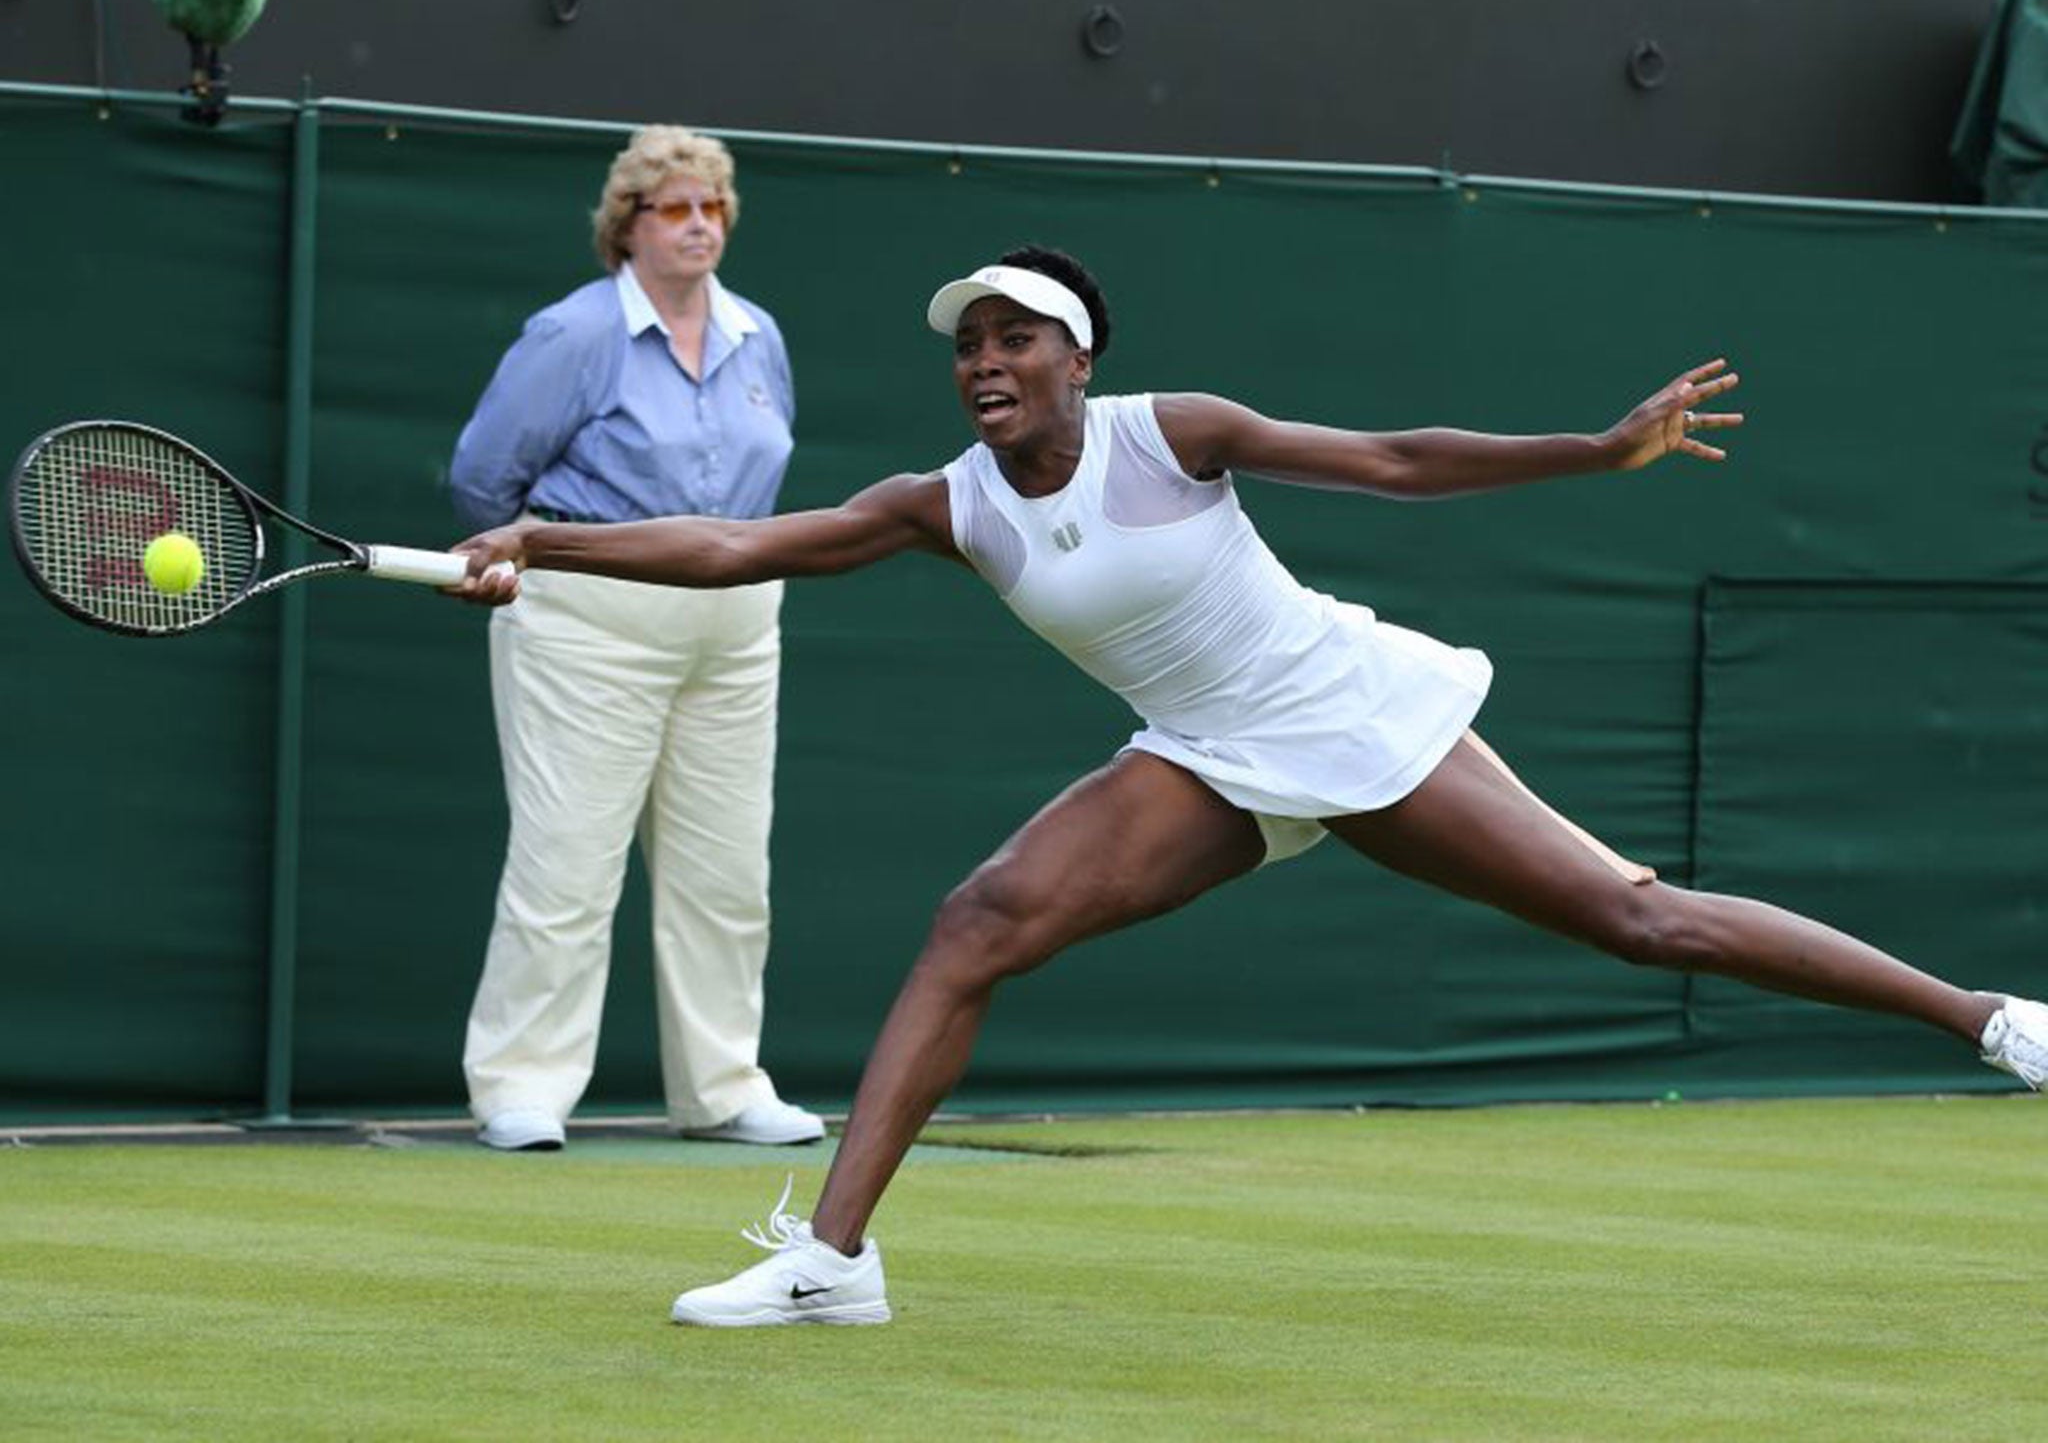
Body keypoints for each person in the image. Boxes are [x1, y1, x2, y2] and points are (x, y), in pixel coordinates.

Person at [447, 245, 2048, 1318]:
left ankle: (1993, 1021)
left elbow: (1400, 460)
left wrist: (1593, 447)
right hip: (1199, 755)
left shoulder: (1175, 432)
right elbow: (734, 548)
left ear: (1082, 359)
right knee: (981, 920)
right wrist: (545, 540)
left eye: (1016, 340)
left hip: (1346, 711)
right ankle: (832, 1265)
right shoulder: (943, 503)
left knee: (1642, 922)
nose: (985, 364)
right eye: (970, 347)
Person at [446, 125, 823, 1152]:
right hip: (589, 622)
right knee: (566, 863)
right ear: (629, 228)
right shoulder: (571, 335)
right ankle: (520, 1087)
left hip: (738, 625)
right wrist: (530, 562)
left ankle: (723, 1087)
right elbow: (484, 479)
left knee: (727, 872)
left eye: (711, 208)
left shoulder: (759, 336)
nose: (699, 225)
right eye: (675, 209)